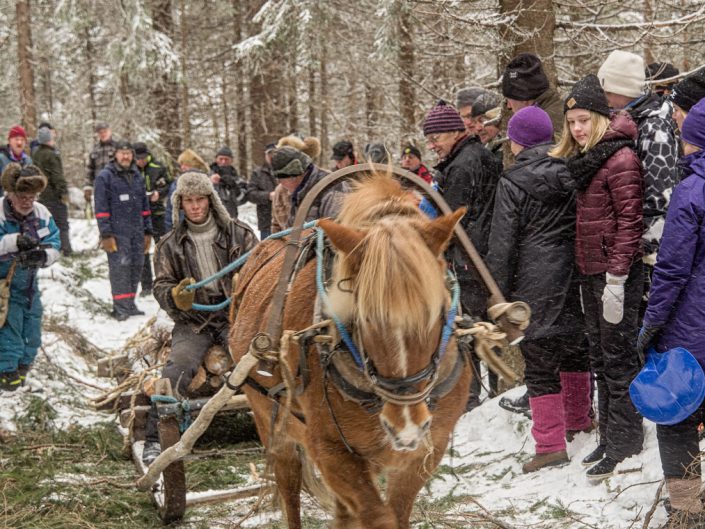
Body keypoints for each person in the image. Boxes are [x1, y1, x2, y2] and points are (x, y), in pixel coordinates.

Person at [486, 106, 591, 472]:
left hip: (534, 282)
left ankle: (549, 445)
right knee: (577, 350)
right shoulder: (574, 171)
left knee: (541, 362)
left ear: (517, 141)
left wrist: (496, 296)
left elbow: (502, 244)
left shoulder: (512, 182)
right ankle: (579, 422)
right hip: (576, 275)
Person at [550, 74, 644, 479]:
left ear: (602, 117)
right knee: (601, 359)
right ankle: (610, 436)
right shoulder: (587, 160)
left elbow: (630, 222)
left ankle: (626, 443)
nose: (578, 129)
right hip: (592, 272)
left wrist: (618, 278)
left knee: (619, 361)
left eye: (585, 120)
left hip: (615, 275)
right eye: (572, 122)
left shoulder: (620, 158)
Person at [143, 171, 257, 464]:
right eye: (189, 201)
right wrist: (175, 297)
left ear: (211, 200)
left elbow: (262, 269)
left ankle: (278, 420)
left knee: (259, 362)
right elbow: (161, 284)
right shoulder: (169, 243)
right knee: (177, 369)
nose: (195, 207)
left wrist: (245, 287)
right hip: (194, 319)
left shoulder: (240, 233)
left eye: (200, 200)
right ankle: (155, 438)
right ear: (180, 204)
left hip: (235, 314)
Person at [638, 98, 705, 529]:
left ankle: (686, 512)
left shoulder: (691, 192)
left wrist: (651, 324)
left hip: (692, 326)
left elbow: (672, 268)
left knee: (678, 416)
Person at [422, 99, 502, 410]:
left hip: (473, 255)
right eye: (429, 140)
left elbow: (452, 220)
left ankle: (475, 395)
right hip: (477, 252)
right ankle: (483, 391)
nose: (432, 146)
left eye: (436, 138)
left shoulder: (463, 165)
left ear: (454, 132)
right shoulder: (466, 157)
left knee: (473, 324)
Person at [597, 51, 680, 271]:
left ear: (622, 90)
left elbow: (660, 196)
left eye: (607, 92)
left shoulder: (653, 127)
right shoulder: (630, 118)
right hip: (628, 241)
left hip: (647, 251)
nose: (604, 98)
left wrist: (647, 250)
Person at [0, 164, 60, 390]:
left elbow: (55, 243)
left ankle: (23, 368)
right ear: (10, 194)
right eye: (22, 197)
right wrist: (12, 241)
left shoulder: (42, 213)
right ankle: (7, 373)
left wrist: (42, 256)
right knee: (9, 328)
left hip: (29, 284)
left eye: (32, 197)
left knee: (32, 327)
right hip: (4, 284)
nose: (27, 202)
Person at [94, 140, 152, 321]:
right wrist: (106, 234)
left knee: (136, 266)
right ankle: (120, 307)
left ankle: (130, 303)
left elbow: (145, 205)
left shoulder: (137, 176)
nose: (126, 156)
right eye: (122, 153)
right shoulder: (105, 177)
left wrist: (148, 231)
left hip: (137, 230)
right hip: (117, 232)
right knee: (120, 268)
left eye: (129, 153)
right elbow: (101, 208)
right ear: (115, 154)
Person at [270, 146, 345, 227]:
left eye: (280, 179)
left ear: (293, 176)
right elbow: (291, 232)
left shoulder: (332, 191)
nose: (280, 184)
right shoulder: (299, 192)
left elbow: (337, 234)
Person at [134, 142, 171, 296]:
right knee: (143, 249)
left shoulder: (158, 167)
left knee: (162, 248)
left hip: (157, 214)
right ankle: (146, 285)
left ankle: (166, 280)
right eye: (138, 158)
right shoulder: (131, 170)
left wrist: (159, 193)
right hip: (139, 215)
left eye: (143, 158)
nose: (140, 161)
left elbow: (168, 184)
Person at [502, 53, 564, 137]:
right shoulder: (551, 111)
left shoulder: (544, 124)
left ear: (523, 97)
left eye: (508, 100)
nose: (508, 106)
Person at [33, 127, 72, 256]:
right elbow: (57, 175)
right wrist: (63, 192)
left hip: (41, 195)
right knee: (61, 223)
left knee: (45, 223)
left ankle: (47, 246)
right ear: (49, 139)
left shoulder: (36, 153)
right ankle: (65, 249)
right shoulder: (52, 154)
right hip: (54, 195)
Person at [165, 149, 210, 232]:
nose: (182, 167)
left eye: (185, 164)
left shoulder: (178, 183)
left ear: (192, 164)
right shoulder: (207, 180)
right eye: (181, 164)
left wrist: (170, 232)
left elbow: (170, 211)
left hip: (183, 230)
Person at [246, 143, 277, 239]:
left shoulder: (287, 171)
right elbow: (250, 194)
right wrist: (268, 196)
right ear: (265, 155)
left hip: (285, 221)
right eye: (269, 154)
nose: (272, 156)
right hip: (266, 222)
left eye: (275, 153)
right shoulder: (257, 173)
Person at [210, 146, 246, 220]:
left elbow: (243, 200)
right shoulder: (207, 176)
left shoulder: (237, 179)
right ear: (216, 159)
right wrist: (210, 183)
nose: (223, 162)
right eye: (221, 159)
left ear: (231, 160)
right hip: (212, 219)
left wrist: (234, 186)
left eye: (226, 159)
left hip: (231, 218)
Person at [85, 122, 115, 203]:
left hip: (115, 186)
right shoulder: (94, 150)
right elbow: (89, 170)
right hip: (99, 187)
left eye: (105, 131)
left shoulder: (117, 147)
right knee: (102, 212)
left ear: (110, 131)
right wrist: (88, 187)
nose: (103, 134)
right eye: (100, 132)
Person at [470, 92, 504, 158]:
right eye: (474, 122)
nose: (478, 128)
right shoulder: (483, 153)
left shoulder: (512, 151)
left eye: (482, 120)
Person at [0, 126, 32, 194]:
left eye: (22, 140)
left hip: (23, 202)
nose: (19, 142)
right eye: (16, 139)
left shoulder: (28, 160)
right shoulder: (1, 159)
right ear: (9, 141)